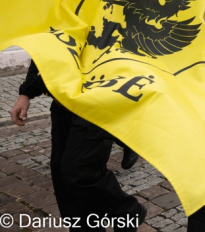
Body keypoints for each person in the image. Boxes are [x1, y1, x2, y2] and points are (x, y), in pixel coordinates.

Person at [10, 61, 147, 231]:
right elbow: (45, 51)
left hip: (99, 100)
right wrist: (26, 94)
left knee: (79, 171)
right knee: (62, 174)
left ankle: (127, 212)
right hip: (63, 101)